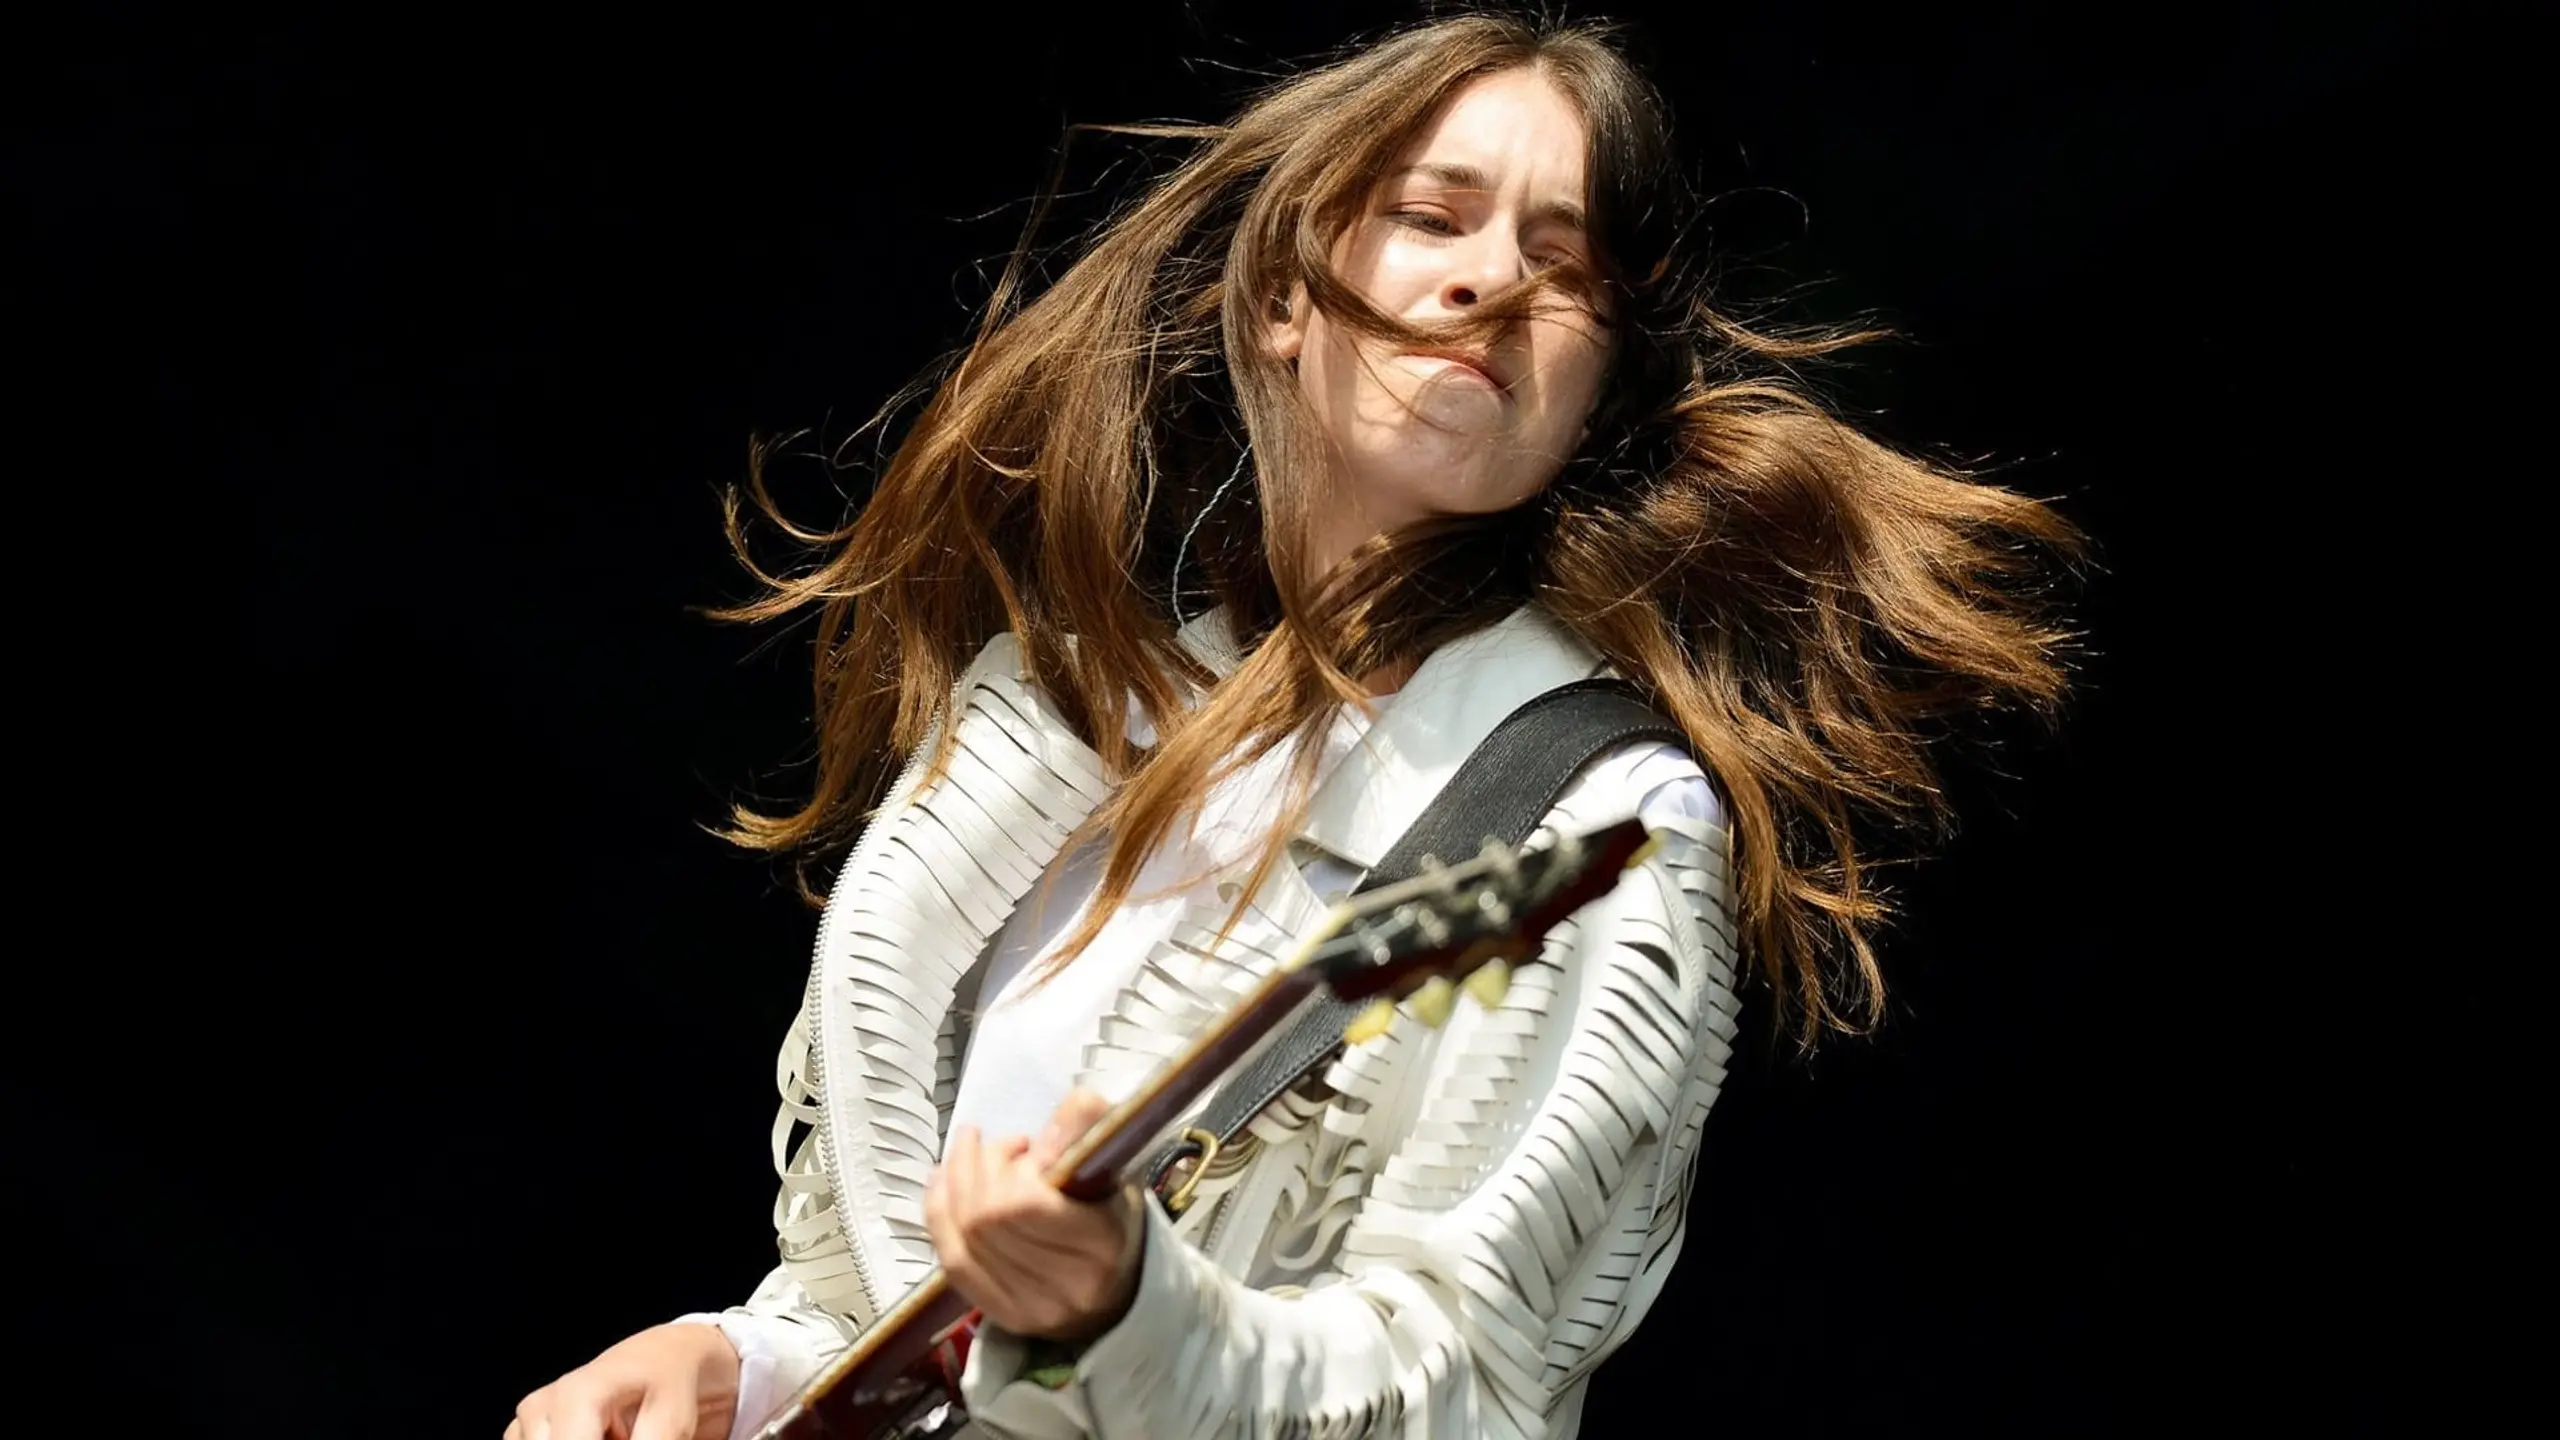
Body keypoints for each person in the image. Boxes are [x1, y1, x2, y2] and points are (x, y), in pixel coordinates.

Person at [506, 12, 2075, 1440]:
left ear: (1594, 387)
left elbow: (1464, 1386)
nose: (1489, 282)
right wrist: (745, 1362)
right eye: (1430, 217)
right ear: (1277, 300)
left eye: (1568, 262)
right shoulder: (1048, 718)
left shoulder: (1596, 830)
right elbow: (891, 1299)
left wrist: (1129, 1309)